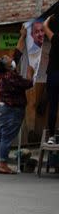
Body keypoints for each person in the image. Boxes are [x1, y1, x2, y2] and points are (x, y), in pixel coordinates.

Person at [0, 28, 34, 173]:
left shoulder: (6, 73)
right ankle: (2, 164)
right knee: (6, 137)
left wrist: (23, 36)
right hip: (10, 110)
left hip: (2, 108)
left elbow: (17, 53)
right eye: (8, 59)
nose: (10, 58)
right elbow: (28, 84)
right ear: (7, 66)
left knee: (1, 135)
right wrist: (30, 74)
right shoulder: (10, 77)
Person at [43, 15, 59, 144]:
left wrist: (49, 18)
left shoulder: (56, 38)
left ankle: (52, 136)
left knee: (53, 105)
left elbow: (44, 26)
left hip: (54, 75)